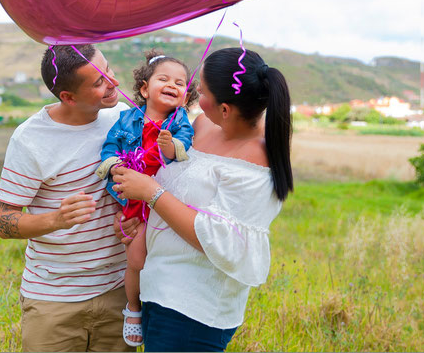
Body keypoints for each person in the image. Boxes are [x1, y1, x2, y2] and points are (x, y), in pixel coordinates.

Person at [112, 47, 293, 352]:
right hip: (158, 287)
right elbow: (179, 188)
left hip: (193, 309)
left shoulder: (258, 163)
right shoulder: (202, 126)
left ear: (225, 109)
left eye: (202, 90)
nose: (194, 92)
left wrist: (151, 194)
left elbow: (218, 238)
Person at [0, 45, 137, 352]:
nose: (112, 82)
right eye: (98, 82)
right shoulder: (31, 139)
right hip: (53, 299)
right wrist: (56, 220)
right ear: (68, 98)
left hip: (120, 291)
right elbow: (4, 222)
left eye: (108, 69)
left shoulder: (124, 118)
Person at [94, 50, 197, 346]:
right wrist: (113, 164)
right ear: (144, 89)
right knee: (137, 259)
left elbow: (182, 151)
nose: (172, 85)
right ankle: (134, 309)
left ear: (185, 95)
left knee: (159, 258)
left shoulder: (179, 123)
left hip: (163, 196)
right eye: (163, 79)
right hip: (133, 196)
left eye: (180, 83)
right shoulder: (128, 119)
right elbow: (111, 146)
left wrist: (170, 145)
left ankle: (160, 302)